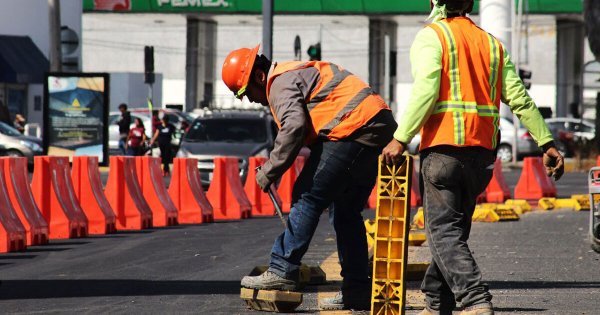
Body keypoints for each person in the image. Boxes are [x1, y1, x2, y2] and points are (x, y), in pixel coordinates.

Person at [381, 1, 565, 314]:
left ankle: (475, 299)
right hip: (482, 157)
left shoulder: (433, 36)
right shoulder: (492, 45)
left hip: (443, 151)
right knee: (452, 233)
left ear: (433, 2)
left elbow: (426, 91)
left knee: (443, 233)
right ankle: (436, 301)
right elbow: (519, 97)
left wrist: (400, 138)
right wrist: (546, 143)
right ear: (470, 3)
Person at [222, 44, 397, 311]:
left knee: (307, 196)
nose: (252, 100)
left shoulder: (279, 83)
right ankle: (357, 290)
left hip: (352, 127)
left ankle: (281, 270)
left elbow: (293, 126)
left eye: (246, 93)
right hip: (374, 128)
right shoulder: (296, 73)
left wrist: (270, 170)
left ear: (259, 76)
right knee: (345, 212)